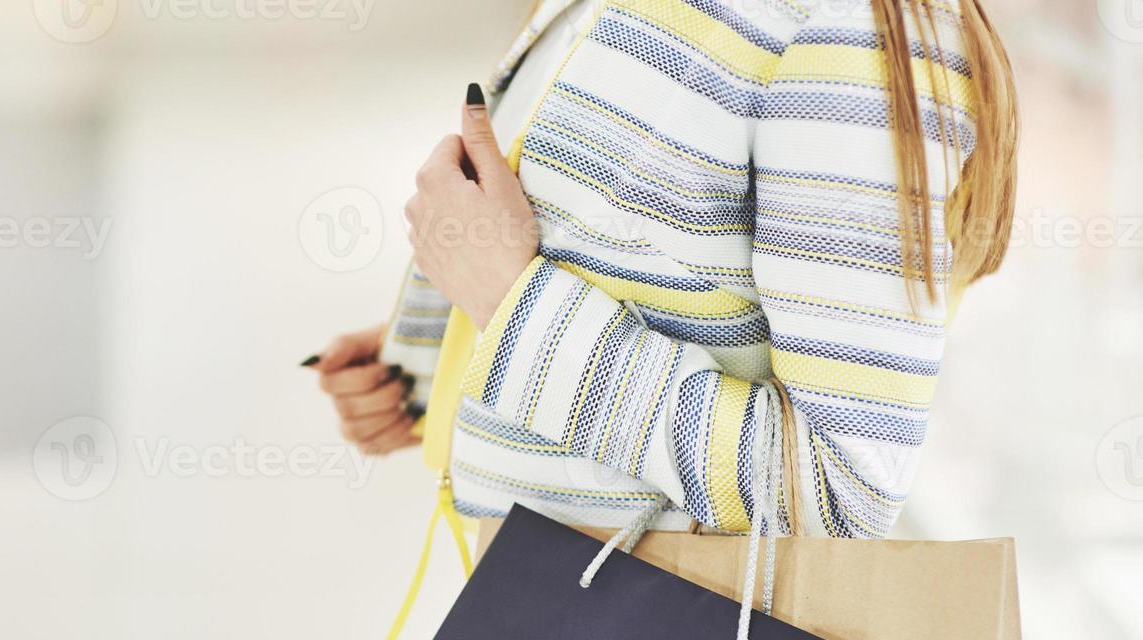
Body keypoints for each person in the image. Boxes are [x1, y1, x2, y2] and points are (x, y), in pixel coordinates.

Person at [306, 0, 1017, 538]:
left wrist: (511, 307)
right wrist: (432, 360)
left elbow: (840, 495)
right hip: (537, 622)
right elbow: (634, 268)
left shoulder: (838, 27)